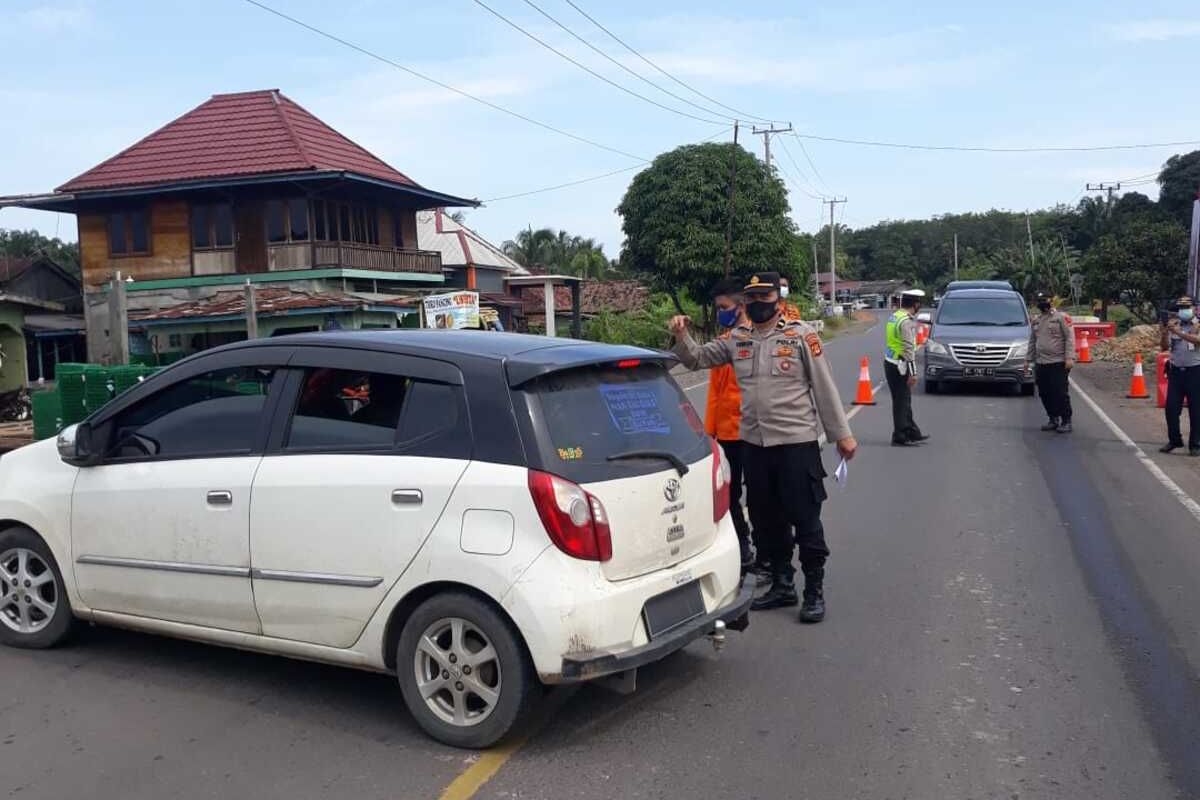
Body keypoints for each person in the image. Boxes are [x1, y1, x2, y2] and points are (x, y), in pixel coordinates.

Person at [669, 271, 857, 624]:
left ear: (778, 300)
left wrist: (841, 435)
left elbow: (825, 388)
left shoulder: (801, 336)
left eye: (764, 298)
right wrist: (681, 334)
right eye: (751, 299)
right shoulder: (737, 339)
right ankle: (783, 583)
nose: (757, 305)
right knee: (766, 519)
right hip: (754, 444)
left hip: (795, 443)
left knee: (805, 518)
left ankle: (813, 589)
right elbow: (696, 359)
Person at [703, 277, 757, 570]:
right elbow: (715, 394)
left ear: (741, 306)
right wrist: (709, 433)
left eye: (724, 307)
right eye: (718, 308)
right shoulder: (723, 342)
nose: (720, 313)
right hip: (725, 434)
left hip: (751, 432)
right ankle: (743, 549)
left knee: (761, 498)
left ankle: (770, 559)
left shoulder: (756, 339)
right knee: (730, 496)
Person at [883, 289, 929, 446]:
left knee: (903, 400)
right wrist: (914, 373)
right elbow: (908, 349)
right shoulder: (906, 321)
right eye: (919, 304)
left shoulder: (895, 316)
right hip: (900, 364)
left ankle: (912, 431)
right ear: (915, 305)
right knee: (902, 401)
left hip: (890, 361)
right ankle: (900, 435)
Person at [1160, 296, 1200, 456]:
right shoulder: (1174, 325)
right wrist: (1164, 332)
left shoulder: (1197, 324)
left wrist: (1178, 332)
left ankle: (1195, 444)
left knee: (1196, 410)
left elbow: (1197, 340)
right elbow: (1164, 347)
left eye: (1186, 307)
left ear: (1193, 308)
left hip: (1195, 371)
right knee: (1171, 408)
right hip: (1176, 371)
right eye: (1181, 308)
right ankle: (1175, 440)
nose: (1183, 311)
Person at [1029, 292, 1075, 433]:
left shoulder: (1062, 318)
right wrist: (1027, 360)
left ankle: (1066, 420)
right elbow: (1032, 342)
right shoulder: (1037, 320)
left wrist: (1069, 357)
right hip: (1041, 362)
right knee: (1044, 392)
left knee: (1059, 392)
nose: (1042, 303)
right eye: (1040, 301)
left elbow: (1070, 338)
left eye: (1045, 300)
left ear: (1051, 302)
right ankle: (1053, 418)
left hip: (1058, 361)